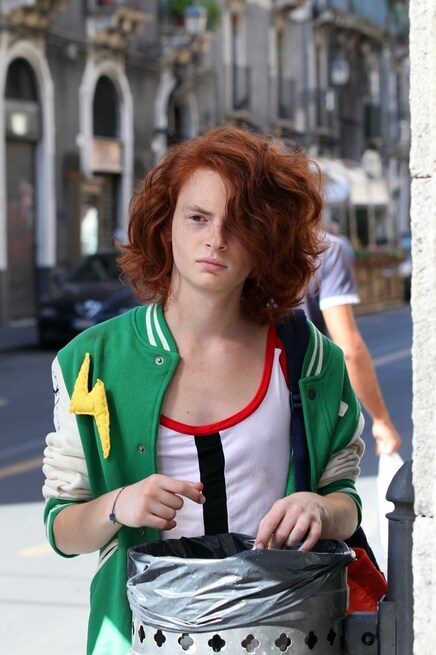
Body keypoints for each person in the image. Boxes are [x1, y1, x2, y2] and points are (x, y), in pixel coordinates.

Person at [42, 125, 365, 655]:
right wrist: (120, 504)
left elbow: (346, 500)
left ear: (269, 240)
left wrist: (319, 509)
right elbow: (62, 529)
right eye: (198, 217)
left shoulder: (310, 359)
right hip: (142, 637)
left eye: (241, 224)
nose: (216, 239)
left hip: (283, 636)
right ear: (165, 225)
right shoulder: (91, 363)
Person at [302, 230, 402, 456]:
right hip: (303, 404)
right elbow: (348, 349)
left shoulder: (240, 241)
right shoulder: (324, 248)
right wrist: (381, 420)